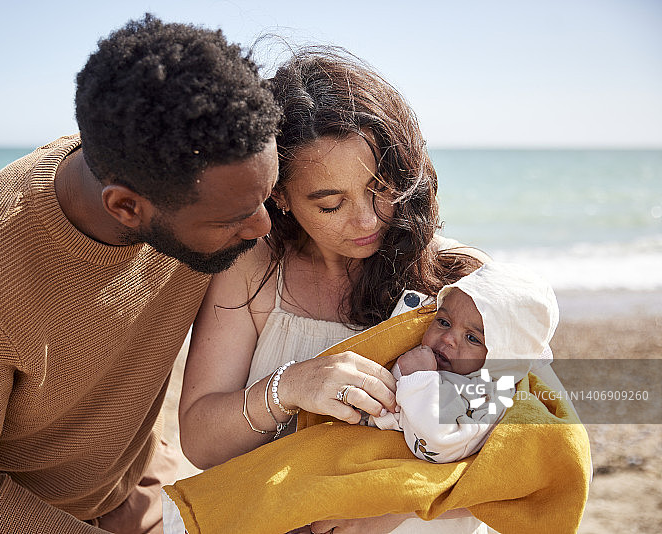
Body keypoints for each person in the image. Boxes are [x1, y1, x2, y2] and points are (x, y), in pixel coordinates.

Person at [0, 14, 281, 534]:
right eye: (235, 217)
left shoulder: (205, 180)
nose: (263, 226)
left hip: (141, 484)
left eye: (268, 194)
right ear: (126, 208)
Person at [177, 47, 493, 534]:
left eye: (383, 189)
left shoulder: (460, 279)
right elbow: (199, 442)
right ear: (277, 193)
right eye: (330, 205)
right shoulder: (250, 270)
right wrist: (291, 386)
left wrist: (385, 512)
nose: (367, 222)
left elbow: (529, 447)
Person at [365, 262, 559, 464]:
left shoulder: (485, 397)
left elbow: (437, 444)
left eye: (472, 338)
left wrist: (418, 379)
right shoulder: (433, 359)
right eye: (443, 322)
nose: (448, 338)